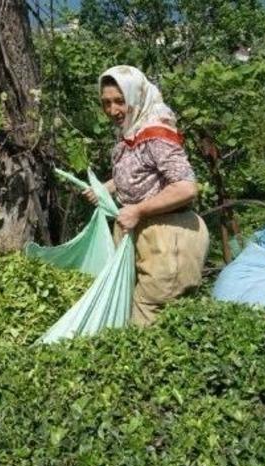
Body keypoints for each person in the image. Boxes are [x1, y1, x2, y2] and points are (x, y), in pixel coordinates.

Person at [83, 65, 209, 326]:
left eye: (119, 101)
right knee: (128, 306)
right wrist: (106, 188)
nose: (112, 110)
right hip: (139, 231)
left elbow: (186, 188)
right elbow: (139, 173)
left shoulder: (156, 135)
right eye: (106, 103)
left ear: (135, 97)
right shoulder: (133, 129)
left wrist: (138, 210)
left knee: (150, 318)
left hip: (168, 235)